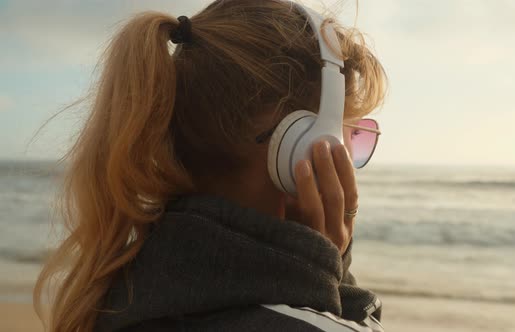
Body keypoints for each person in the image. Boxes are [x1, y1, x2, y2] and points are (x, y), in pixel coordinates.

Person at [33, 0, 387, 331]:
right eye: (350, 139)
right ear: (305, 152)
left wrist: (316, 268)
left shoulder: (116, 302)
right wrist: (328, 269)